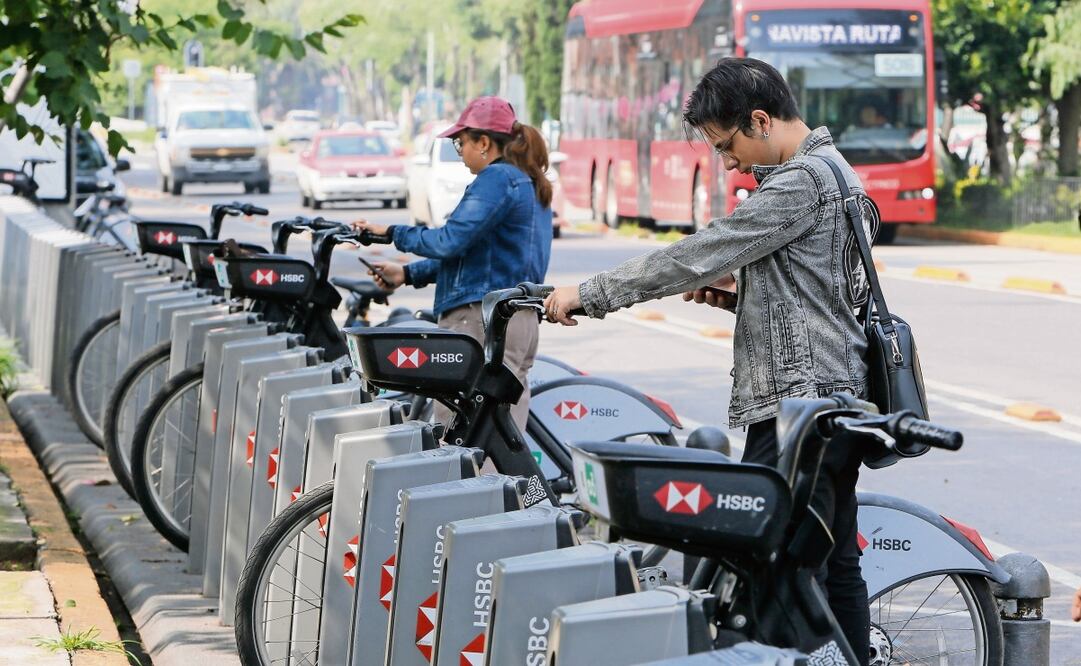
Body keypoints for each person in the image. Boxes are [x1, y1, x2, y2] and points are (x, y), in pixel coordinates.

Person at [544, 57, 874, 664]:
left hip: (799, 407)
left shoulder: (800, 183)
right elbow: (820, 296)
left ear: (760, 121)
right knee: (832, 563)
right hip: (834, 397)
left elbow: (694, 255)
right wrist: (742, 295)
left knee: (773, 566)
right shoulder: (838, 170)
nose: (728, 164)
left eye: (727, 146)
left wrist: (588, 294)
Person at [352, 96, 553, 431]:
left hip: (482, 321)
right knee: (499, 435)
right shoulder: (526, 180)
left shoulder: (497, 179)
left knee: (462, 437)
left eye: (461, 144)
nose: (460, 153)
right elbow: (476, 256)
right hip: (517, 321)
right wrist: (407, 273)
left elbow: (449, 241)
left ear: (484, 143)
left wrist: (390, 233)